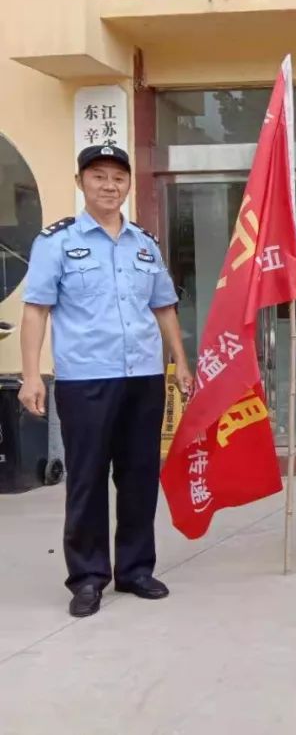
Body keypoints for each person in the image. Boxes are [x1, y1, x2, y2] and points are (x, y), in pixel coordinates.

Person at [19, 145, 192, 618]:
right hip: (86, 379)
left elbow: (163, 306)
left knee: (139, 478)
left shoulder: (143, 243)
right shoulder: (56, 242)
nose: (109, 186)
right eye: (98, 176)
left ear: (129, 185)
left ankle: (135, 569)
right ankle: (89, 577)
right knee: (88, 479)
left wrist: (180, 361)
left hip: (143, 378)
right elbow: (36, 309)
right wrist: (32, 374)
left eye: (118, 177)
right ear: (80, 182)